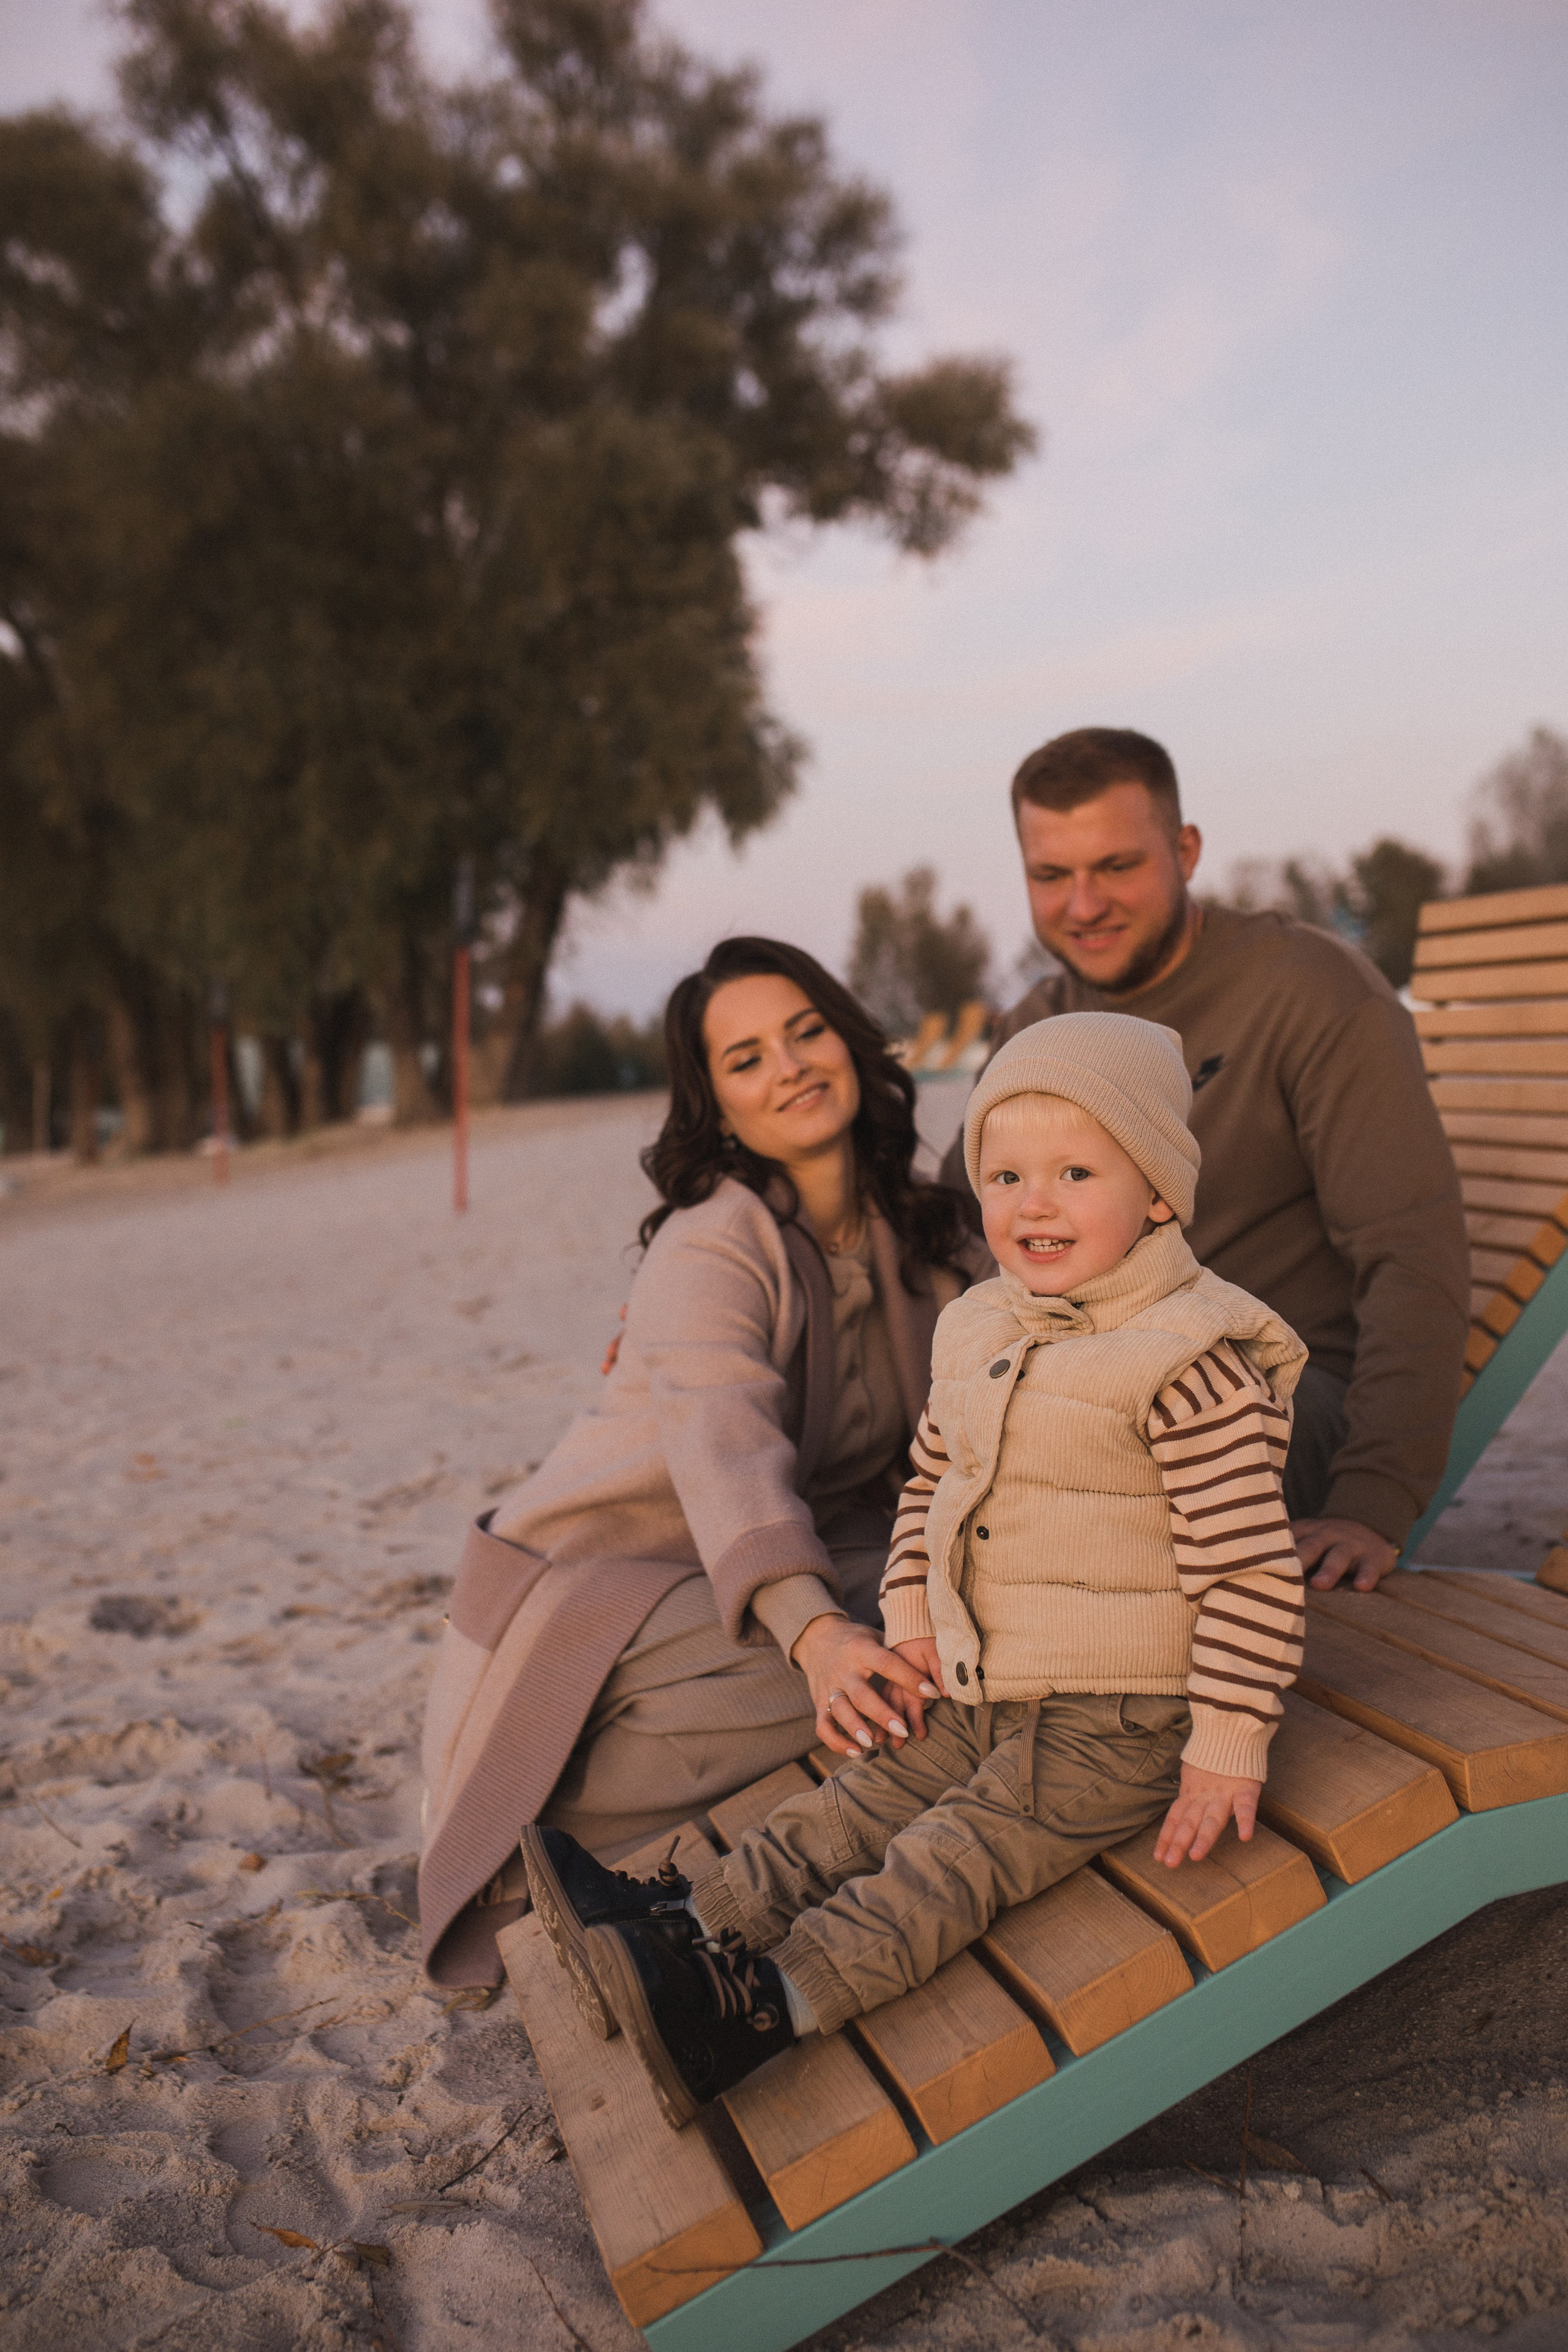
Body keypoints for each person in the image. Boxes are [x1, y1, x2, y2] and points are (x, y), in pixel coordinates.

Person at [521, 1012, 1309, 2122]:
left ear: (1160, 1193)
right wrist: (913, 1612)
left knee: (953, 1853)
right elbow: (930, 1487)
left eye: (1077, 1172)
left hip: (1129, 1717)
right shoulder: (983, 1322)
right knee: (865, 1797)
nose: (1033, 1203)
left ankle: (764, 2007)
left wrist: (1228, 1744)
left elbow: (1251, 1574)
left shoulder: (1191, 1364)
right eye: (1006, 1174)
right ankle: (689, 1923)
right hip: (993, 1675)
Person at [418, 937, 985, 1988]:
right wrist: (817, 1637)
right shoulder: (713, 1237)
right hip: (595, 1597)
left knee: (956, 1612)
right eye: (749, 1058)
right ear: (718, 1106)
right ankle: (548, 1829)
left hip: (736, 1584)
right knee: (928, 1647)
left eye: (808, 1031)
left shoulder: (921, 1229)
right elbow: (726, 1443)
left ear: (851, 1043)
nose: (793, 1067)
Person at [938, 727, 1469, 1596]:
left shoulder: (1309, 993)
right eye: (1051, 876)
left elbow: (1414, 1253)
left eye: (1116, 866)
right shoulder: (1036, 1027)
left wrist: (1373, 1499)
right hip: (1091, 1394)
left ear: (1185, 851)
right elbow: (947, 1222)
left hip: (1277, 1396)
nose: (1083, 905)